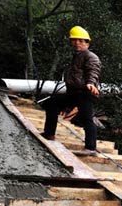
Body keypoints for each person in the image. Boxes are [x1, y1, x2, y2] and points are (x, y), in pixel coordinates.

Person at [40, 26, 101, 155]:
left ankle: (91, 148)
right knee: (51, 103)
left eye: (80, 40)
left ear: (87, 43)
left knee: (87, 118)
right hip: (73, 93)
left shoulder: (91, 57)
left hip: (85, 93)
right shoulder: (77, 56)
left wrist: (90, 83)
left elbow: (93, 71)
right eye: (74, 40)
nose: (77, 43)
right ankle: (49, 134)